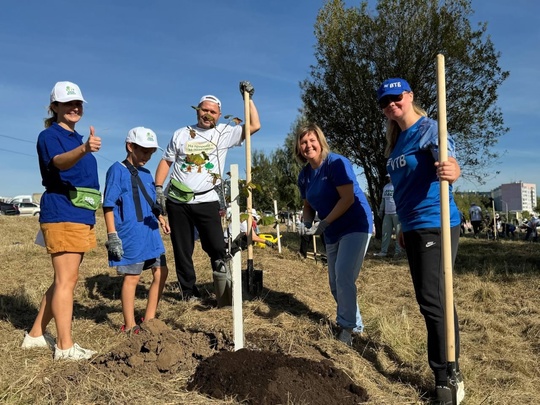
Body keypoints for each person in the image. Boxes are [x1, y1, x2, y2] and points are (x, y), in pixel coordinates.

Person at [377, 78, 464, 404]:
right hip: (412, 226)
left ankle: (446, 375)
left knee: (433, 299)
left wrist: (452, 170)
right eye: (385, 102)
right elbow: (402, 191)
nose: (391, 104)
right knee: (433, 298)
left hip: (437, 223)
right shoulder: (396, 142)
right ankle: (448, 365)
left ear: (410, 96)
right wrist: (400, 224)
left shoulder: (430, 129)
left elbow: (449, 161)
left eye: (396, 97)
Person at [155, 82, 261, 302]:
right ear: (197, 110)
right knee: (182, 249)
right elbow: (166, 161)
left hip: (207, 199)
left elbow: (254, 126)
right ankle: (188, 292)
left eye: (212, 111)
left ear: (219, 114)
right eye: (204, 110)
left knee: (215, 245)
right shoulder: (181, 134)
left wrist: (247, 98)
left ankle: (223, 287)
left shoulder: (224, 133)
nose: (208, 114)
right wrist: (158, 189)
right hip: (178, 200)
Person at [22, 81, 101, 360]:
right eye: (68, 103)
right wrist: (84, 149)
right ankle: (65, 347)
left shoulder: (74, 137)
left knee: (63, 280)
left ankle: (34, 335)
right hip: (62, 212)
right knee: (66, 280)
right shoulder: (50, 136)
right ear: (54, 107)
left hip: (80, 214)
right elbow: (58, 163)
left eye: (78, 103)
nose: (74, 108)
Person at [294, 123, 372, 346]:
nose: (308, 145)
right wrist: (307, 223)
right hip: (331, 231)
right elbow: (308, 205)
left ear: (320, 142)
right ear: (299, 148)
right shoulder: (305, 175)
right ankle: (355, 323)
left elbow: (347, 199)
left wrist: (324, 222)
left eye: (312, 140)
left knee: (344, 275)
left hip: (355, 224)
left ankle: (346, 328)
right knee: (335, 284)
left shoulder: (336, 163)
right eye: (303, 142)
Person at [102, 127, 170, 334]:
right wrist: (112, 235)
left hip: (150, 233)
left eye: (150, 152)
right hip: (130, 234)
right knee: (132, 278)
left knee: (162, 272)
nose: (147, 156)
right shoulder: (117, 170)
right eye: (143, 151)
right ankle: (130, 325)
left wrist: (160, 216)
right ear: (130, 146)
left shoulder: (147, 174)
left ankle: (149, 318)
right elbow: (108, 205)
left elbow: (149, 201)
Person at [374, 175, 402, 257]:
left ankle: (398, 252)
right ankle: (383, 251)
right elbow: (383, 200)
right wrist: (381, 210)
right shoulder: (386, 187)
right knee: (385, 233)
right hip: (387, 213)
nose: (390, 178)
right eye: (389, 177)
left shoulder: (398, 185)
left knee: (398, 233)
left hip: (396, 213)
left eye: (391, 176)